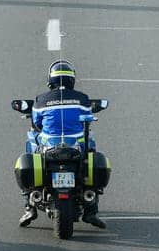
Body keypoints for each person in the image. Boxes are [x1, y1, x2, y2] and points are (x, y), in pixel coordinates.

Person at [20, 59, 106, 229]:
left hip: (49, 145)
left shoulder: (41, 100)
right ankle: (91, 208)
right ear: (71, 79)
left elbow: (37, 123)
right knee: (91, 146)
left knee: (31, 143)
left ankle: (29, 205)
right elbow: (88, 115)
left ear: (50, 80)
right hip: (76, 145)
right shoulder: (82, 99)